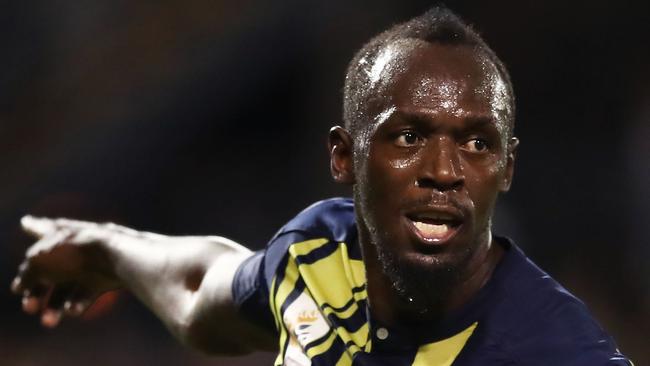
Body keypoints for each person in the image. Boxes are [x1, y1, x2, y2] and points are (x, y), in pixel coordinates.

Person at [11, 7, 632, 366]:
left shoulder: (555, 350)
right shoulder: (320, 256)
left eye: (476, 142)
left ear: (507, 168)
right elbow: (202, 284)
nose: (445, 171)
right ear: (344, 156)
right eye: (409, 136)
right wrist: (105, 249)